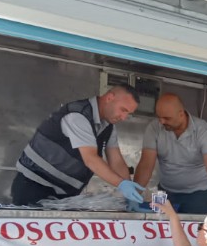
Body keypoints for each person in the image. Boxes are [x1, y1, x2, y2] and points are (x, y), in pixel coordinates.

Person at [11, 84, 144, 206]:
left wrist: (130, 194)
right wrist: (121, 184)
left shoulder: (108, 127)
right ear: (109, 98)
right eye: (123, 110)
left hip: (64, 193)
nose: (124, 117)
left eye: (128, 113)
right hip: (33, 185)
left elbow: (117, 161)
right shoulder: (78, 115)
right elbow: (90, 159)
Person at [134, 93, 207, 213]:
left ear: (181, 114)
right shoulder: (154, 128)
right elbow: (146, 165)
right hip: (166, 193)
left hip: (199, 195)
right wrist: (134, 195)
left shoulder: (203, 130)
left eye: (167, 118)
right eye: (159, 117)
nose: (161, 121)